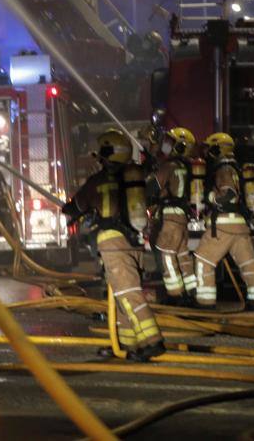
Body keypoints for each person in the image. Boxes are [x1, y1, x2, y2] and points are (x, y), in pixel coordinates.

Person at [62, 129, 165, 361]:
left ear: (108, 152)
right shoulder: (134, 176)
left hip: (111, 243)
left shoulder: (96, 181)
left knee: (129, 294)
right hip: (134, 243)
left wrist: (67, 208)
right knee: (121, 296)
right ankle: (128, 345)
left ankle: (153, 341)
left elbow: (77, 206)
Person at [192, 133, 254, 310]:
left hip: (224, 225)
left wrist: (208, 197)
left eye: (211, 148)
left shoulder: (224, 170)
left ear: (218, 149)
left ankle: (205, 302)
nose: (208, 152)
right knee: (248, 264)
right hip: (239, 225)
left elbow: (229, 194)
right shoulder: (237, 168)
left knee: (204, 260)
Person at [146, 127, 198, 304]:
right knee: (183, 256)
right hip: (182, 217)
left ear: (180, 147)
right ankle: (192, 291)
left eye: (170, 142)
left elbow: (151, 187)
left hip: (169, 217)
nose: (166, 145)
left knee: (166, 254)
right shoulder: (186, 167)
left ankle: (176, 295)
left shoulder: (169, 167)